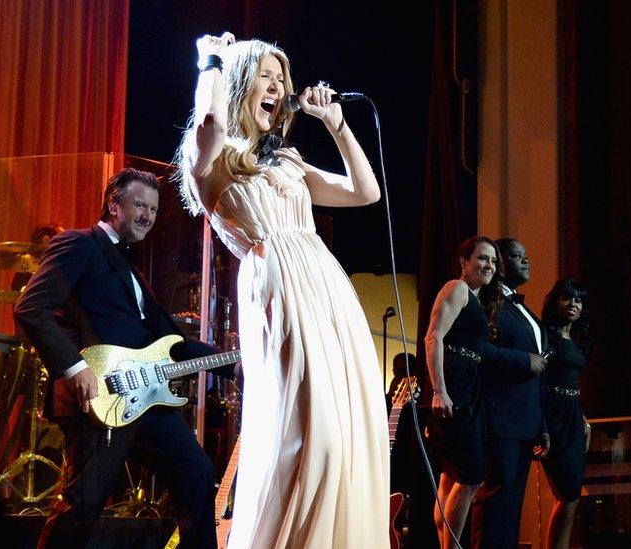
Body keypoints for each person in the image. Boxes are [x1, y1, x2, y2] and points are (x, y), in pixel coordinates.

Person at [174, 32, 389, 548]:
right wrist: (212, 62)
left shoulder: (287, 160)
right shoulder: (211, 156)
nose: (278, 87)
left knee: (355, 432)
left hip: (326, 287)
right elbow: (213, 121)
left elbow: (366, 192)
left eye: (282, 78)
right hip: (279, 289)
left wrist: (337, 127)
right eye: (266, 76)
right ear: (242, 81)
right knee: (314, 440)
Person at [14, 168, 230, 549]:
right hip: (96, 398)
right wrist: (74, 368)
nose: (148, 215)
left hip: (143, 401)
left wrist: (233, 361)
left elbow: (170, 341)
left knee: (196, 474)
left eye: (154, 209)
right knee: (82, 505)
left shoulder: (132, 270)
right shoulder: (78, 245)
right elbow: (31, 307)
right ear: (114, 205)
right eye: (139, 205)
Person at [423, 236, 502, 548]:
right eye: (482, 258)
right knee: (470, 478)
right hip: (455, 386)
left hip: (467, 386)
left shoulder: (474, 298)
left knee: (452, 477)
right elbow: (433, 338)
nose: (489, 266)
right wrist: (439, 391)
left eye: (494, 261)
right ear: (464, 262)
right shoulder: (456, 289)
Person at [471, 238, 549, 549]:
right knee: (495, 503)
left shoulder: (523, 309)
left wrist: (542, 425)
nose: (526, 261)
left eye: (527, 255)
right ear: (499, 262)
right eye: (517, 255)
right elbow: (477, 350)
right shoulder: (486, 302)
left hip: (525, 421)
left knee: (511, 507)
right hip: (500, 417)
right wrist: (523, 360)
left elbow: (540, 373)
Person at [539, 277, 591, 549]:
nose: (573, 304)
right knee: (567, 492)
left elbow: (573, 383)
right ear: (555, 301)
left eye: (579, 299)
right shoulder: (545, 335)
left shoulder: (577, 338)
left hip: (572, 416)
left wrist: (581, 416)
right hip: (553, 414)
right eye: (567, 297)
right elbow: (538, 382)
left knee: (571, 495)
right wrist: (543, 425)